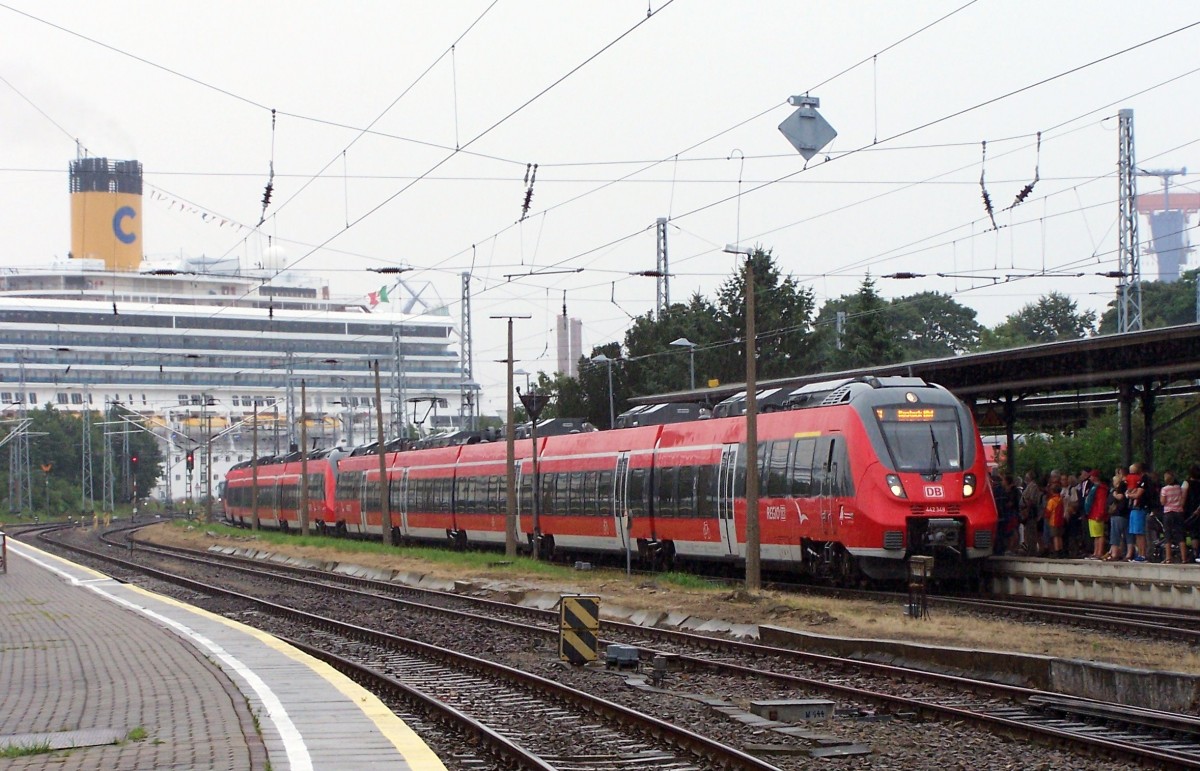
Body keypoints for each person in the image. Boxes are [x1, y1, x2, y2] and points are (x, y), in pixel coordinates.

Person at [1160, 471, 1186, 564]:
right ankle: (1184, 558)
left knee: (1168, 535)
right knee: (1180, 535)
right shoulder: (1179, 488)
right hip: (1178, 512)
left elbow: (1163, 502)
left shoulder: (1164, 489)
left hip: (1168, 512)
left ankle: (1168, 558)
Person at [1126, 463, 1149, 562]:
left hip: (1140, 508)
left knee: (1140, 532)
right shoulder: (1136, 481)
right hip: (1134, 508)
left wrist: (1129, 495)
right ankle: (1139, 553)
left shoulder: (1144, 480)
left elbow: (1138, 494)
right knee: (1136, 533)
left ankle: (1143, 554)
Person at [1084, 469, 1109, 560]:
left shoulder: (1101, 488)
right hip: (1092, 513)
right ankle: (1095, 552)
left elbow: (1101, 502)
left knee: (1099, 534)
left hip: (1096, 513)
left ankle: (1099, 552)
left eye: (1091, 476)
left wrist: (1100, 513)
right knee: (1095, 535)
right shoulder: (1094, 487)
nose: (1090, 478)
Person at [1020, 471, 1044, 555]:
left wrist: (1026, 506)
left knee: (1031, 531)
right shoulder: (1029, 486)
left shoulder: (1033, 486)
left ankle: (1032, 550)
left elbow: (1032, 500)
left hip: (1031, 512)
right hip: (1027, 511)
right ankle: (1029, 548)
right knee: (1028, 531)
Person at [1184, 465, 1200, 563]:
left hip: (1190, 510)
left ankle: (1195, 552)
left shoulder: (1187, 483)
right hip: (1197, 508)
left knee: (1194, 533)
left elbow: (1184, 497)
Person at [1045, 483, 1065, 557]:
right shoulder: (1061, 499)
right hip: (1061, 520)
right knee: (1059, 536)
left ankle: (1057, 551)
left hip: (1054, 521)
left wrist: (1046, 516)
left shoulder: (1052, 500)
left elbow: (1048, 511)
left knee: (1055, 536)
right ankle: (1061, 550)